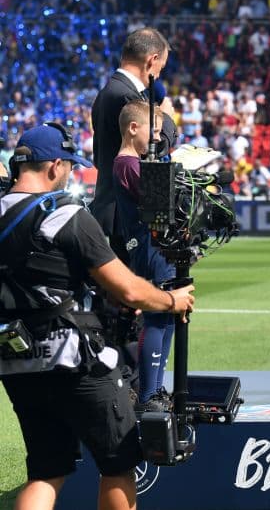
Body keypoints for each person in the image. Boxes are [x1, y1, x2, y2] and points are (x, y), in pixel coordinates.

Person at [0, 124, 194, 510]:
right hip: (76, 361)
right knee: (118, 464)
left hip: (16, 361)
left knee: (46, 473)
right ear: (54, 166)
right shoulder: (65, 213)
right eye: (69, 166)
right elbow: (129, 289)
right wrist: (171, 300)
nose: (70, 173)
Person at [113, 100, 176, 411]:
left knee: (168, 316)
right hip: (149, 248)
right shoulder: (128, 164)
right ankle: (149, 394)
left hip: (154, 246)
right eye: (155, 131)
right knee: (156, 318)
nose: (158, 138)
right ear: (133, 128)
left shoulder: (132, 163)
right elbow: (160, 199)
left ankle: (154, 389)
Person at [90, 27, 178, 242]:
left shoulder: (110, 91)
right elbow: (154, 149)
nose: (159, 75)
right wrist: (167, 118)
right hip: (125, 214)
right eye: (161, 68)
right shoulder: (126, 96)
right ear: (152, 60)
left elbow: (99, 158)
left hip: (115, 209)